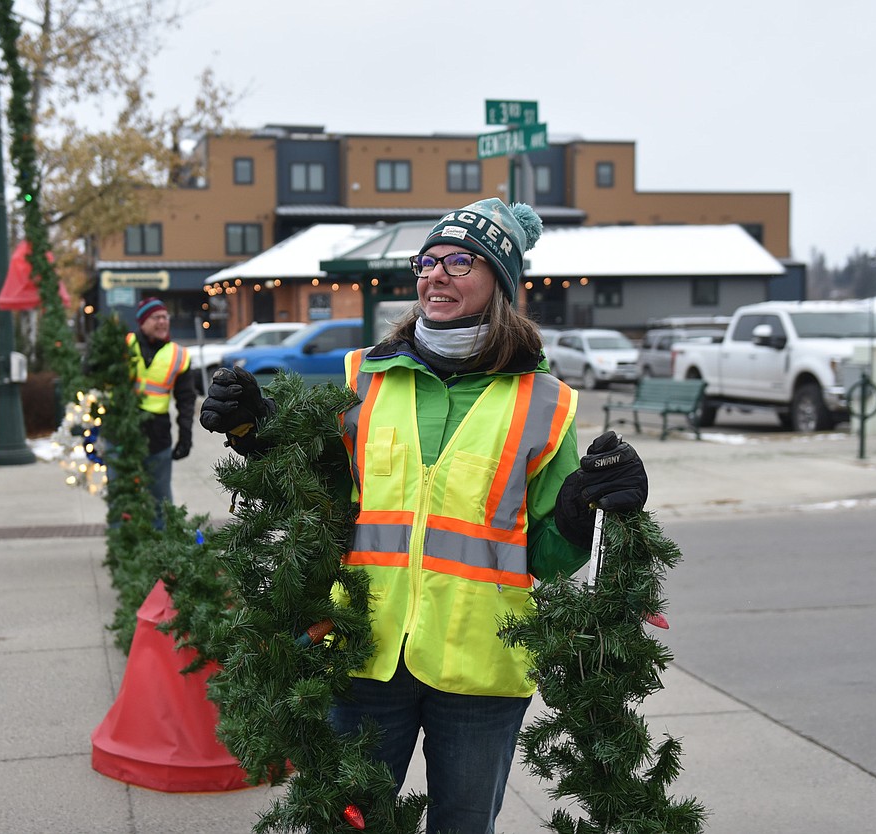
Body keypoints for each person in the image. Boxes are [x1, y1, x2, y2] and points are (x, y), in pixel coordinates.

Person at [199, 198, 648, 834]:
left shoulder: (548, 403)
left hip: (482, 665)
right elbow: (324, 494)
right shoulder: (364, 377)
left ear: (499, 282)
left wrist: (579, 513)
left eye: (460, 261)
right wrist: (256, 427)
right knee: (347, 823)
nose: (437, 274)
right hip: (364, 652)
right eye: (428, 260)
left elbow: (547, 555)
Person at [126, 296, 195, 528]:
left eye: (165, 317)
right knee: (124, 498)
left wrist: (186, 436)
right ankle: (126, 549)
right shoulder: (124, 345)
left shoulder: (178, 355)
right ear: (143, 321)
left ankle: (162, 551)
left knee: (160, 500)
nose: (163, 322)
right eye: (156, 317)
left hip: (158, 436)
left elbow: (186, 400)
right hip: (124, 433)